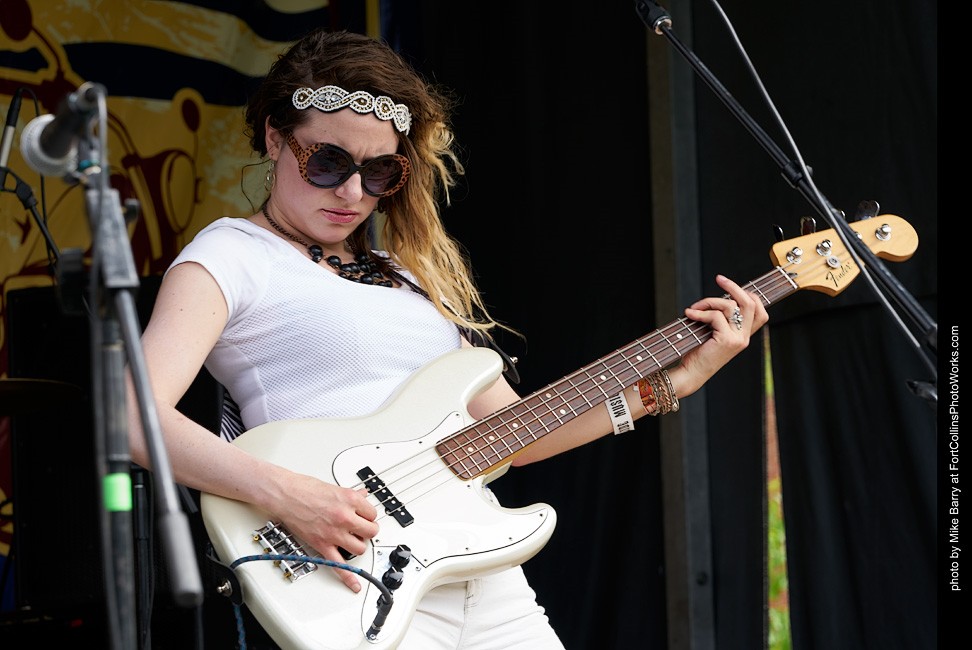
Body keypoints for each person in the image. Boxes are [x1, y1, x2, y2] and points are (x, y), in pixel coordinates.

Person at [127, 27, 768, 650]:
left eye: (378, 172)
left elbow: (516, 433)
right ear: (275, 138)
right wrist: (289, 495)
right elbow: (130, 416)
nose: (351, 192)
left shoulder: (405, 278)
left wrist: (677, 380)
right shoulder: (231, 254)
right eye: (327, 162)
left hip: (478, 569)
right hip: (351, 578)